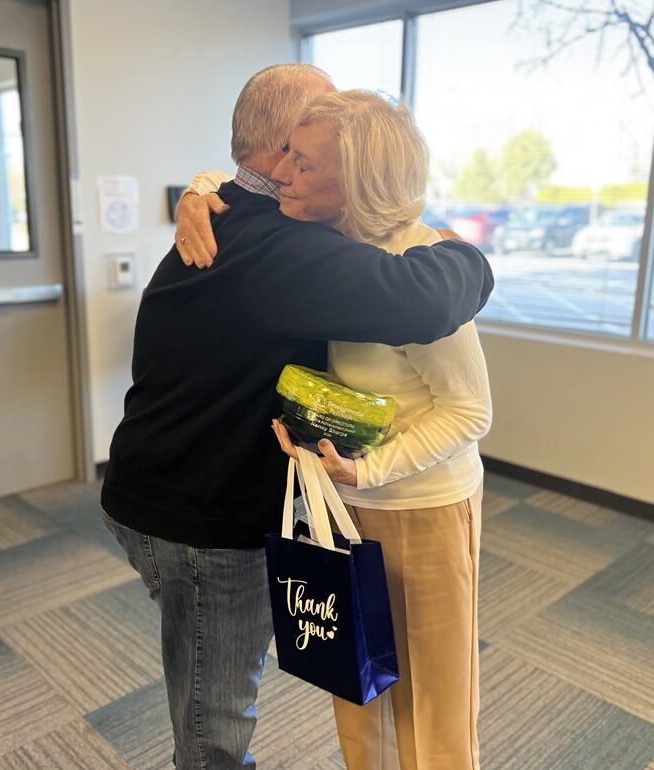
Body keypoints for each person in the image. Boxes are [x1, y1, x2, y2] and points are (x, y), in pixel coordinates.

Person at [102, 64, 493, 770]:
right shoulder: (286, 247)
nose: (301, 161)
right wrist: (472, 255)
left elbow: (466, 400)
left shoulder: (233, 211)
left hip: (168, 484)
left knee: (392, 688)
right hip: (202, 518)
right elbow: (430, 298)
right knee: (216, 718)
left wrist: (199, 187)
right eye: (305, 144)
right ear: (290, 145)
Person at [268, 91, 491, 770]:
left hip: (422, 508)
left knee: (431, 698)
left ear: (358, 181)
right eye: (286, 154)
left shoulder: (418, 269)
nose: (282, 172)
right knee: (356, 679)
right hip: (346, 507)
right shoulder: (329, 253)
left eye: (303, 164)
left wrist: (369, 469)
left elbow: (471, 411)